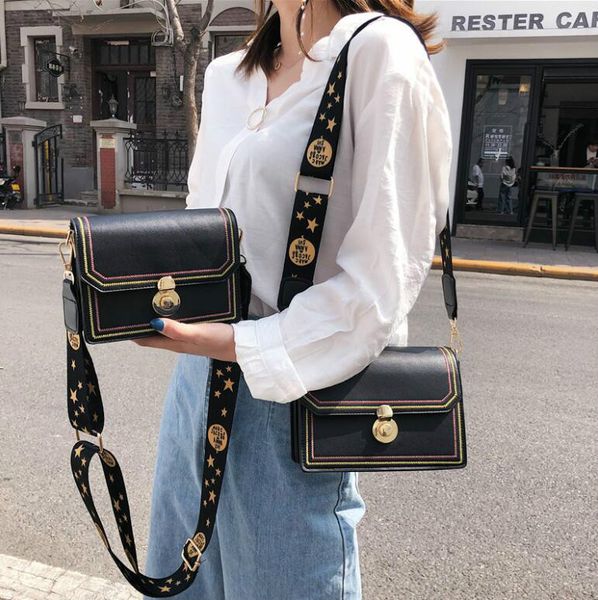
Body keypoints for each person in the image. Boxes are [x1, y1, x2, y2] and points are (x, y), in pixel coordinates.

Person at [135, 1, 452, 598]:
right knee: (182, 582)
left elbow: (379, 283)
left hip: (293, 394)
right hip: (193, 388)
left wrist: (239, 343)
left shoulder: (376, 52)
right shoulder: (227, 76)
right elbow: (204, 227)